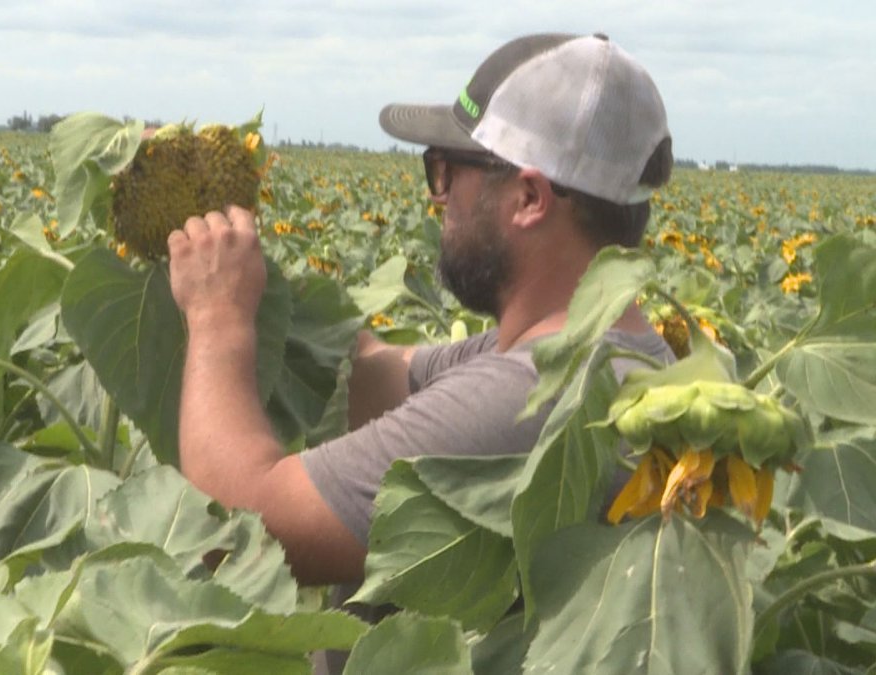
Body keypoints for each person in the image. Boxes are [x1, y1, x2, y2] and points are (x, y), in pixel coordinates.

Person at [167, 29, 674, 608]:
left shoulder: (534, 397)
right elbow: (373, 372)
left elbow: (236, 532)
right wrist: (233, 260)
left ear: (529, 198)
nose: (438, 198)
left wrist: (216, 320)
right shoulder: (592, 355)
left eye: (446, 169)